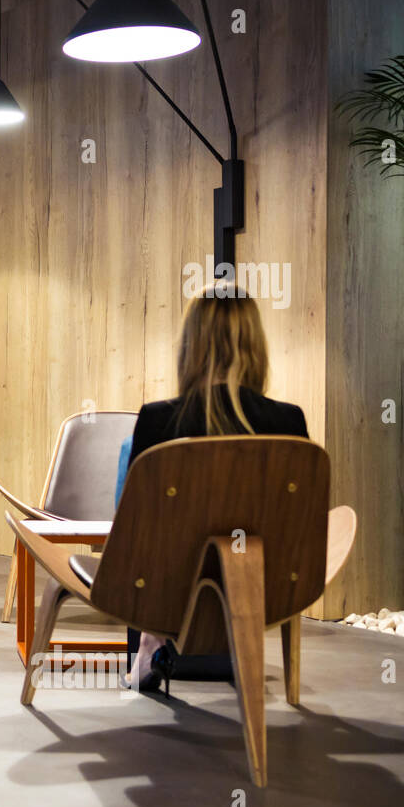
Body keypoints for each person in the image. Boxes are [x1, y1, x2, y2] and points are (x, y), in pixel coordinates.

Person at [122, 285, 308, 691]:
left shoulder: (158, 421)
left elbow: (134, 527)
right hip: (269, 587)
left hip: (171, 590)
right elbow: (302, 526)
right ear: (255, 346)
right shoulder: (289, 423)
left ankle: (153, 637)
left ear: (191, 346)